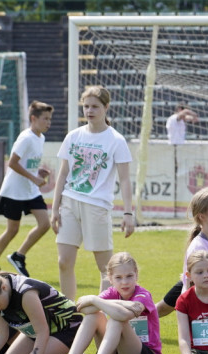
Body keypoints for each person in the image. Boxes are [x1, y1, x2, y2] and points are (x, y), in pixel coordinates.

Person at [50, 85, 135, 300]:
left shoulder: (116, 140)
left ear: (106, 107)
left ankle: (103, 314)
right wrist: (55, 208)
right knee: (63, 261)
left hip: (97, 206)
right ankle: (69, 314)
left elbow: (125, 180)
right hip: (70, 202)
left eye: (95, 106)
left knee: (106, 267)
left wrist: (128, 213)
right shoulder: (73, 136)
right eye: (86, 106)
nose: (89, 111)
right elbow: (62, 174)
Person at [45, 251, 162, 354]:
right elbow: (83, 309)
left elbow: (123, 316)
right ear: (110, 279)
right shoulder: (111, 293)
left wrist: (94, 300)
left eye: (129, 276)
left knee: (116, 319)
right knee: (94, 316)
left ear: (136, 274)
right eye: (118, 277)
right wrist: (110, 303)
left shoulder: (143, 294)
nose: (124, 282)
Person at [0, 100, 54, 276]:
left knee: (45, 223)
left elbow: (26, 163)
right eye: (45, 119)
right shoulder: (26, 137)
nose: (48, 123)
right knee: (12, 229)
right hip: (15, 191)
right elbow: (13, 163)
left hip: (30, 190)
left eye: (50, 119)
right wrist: (34, 177)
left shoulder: (41, 137)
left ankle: (19, 255)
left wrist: (37, 171)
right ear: (33, 118)